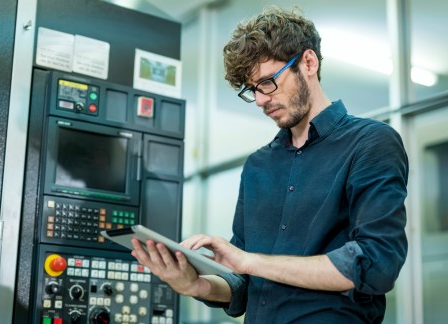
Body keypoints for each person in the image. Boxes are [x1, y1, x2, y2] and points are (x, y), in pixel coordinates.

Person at [131, 5, 408, 323]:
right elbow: (242, 284)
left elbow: (376, 263)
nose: (260, 99)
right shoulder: (258, 166)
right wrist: (196, 284)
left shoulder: (370, 142)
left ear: (308, 62)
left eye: (267, 82)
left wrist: (250, 262)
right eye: (252, 90)